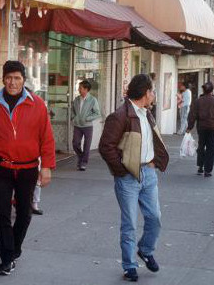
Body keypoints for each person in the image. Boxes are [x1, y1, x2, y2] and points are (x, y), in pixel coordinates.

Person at [0, 61, 55, 276]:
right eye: (9, 77)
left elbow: (46, 138)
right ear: (3, 79)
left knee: (25, 213)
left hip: (28, 168)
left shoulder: (37, 104)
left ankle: (15, 247)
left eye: (17, 78)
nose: (13, 82)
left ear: (24, 80)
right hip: (1, 167)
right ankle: (7, 258)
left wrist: (46, 166)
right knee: (1, 213)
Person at [99, 74, 169, 282]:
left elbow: (152, 141)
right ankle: (129, 266)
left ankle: (146, 250)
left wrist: (155, 162)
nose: (154, 94)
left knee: (154, 218)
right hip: (128, 177)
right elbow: (106, 147)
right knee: (129, 223)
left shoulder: (147, 113)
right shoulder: (120, 115)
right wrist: (121, 171)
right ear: (146, 93)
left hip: (149, 174)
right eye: (152, 91)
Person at [187, 82, 214, 177]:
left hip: (201, 127)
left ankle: (200, 166)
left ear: (203, 90)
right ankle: (208, 170)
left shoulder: (198, 101)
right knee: (211, 148)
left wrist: (190, 127)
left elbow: (192, 115)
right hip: (213, 128)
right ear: (212, 90)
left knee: (201, 146)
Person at [71, 80, 101, 171]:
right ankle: (81, 157)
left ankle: (83, 163)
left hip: (87, 126)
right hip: (77, 125)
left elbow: (97, 113)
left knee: (87, 146)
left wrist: (87, 118)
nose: (79, 89)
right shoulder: (76, 99)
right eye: (79, 88)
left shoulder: (92, 100)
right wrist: (74, 118)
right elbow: (72, 111)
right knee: (75, 143)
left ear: (86, 89)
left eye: (80, 88)